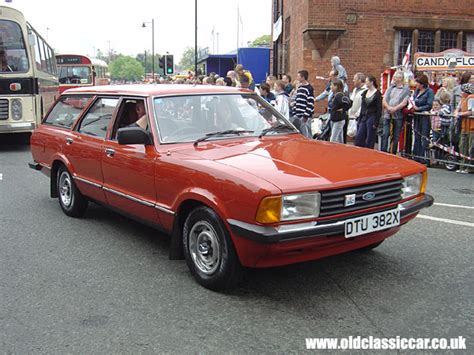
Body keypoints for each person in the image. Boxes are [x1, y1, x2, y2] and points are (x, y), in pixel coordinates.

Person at [381, 71, 410, 154]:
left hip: (398, 116)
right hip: (388, 114)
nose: (394, 78)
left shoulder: (405, 90)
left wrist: (395, 108)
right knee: (385, 134)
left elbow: (404, 102)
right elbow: (384, 99)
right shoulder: (390, 88)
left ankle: (392, 152)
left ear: (400, 78)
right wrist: (388, 107)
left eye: (395, 77)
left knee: (396, 136)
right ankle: (383, 151)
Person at [411, 74, 434, 164]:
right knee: (416, 136)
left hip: (424, 116)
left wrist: (419, 109)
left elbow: (429, 105)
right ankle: (416, 155)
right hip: (416, 116)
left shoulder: (429, 92)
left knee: (424, 136)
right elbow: (413, 100)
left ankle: (423, 157)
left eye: (418, 83)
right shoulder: (416, 91)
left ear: (422, 84)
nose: (416, 85)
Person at [355, 75, 382, 149]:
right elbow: (362, 107)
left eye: (367, 81)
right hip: (364, 116)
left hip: (372, 116)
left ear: (371, 82)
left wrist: (376, 122)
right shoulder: (365, 93)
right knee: (359, 136)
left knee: (370, 137)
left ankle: (369, 151)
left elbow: (379, 109)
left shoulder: (377, 94)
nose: (365, 83)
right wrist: (360, 118)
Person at [453, 83, 474, 173]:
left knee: (470, 148)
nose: (461, 92)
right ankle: (462, 166)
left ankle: (469, 167)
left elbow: (470, 112)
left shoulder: (471, 98)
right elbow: (458, 108)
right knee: (462, 146)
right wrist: (457, 112)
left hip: (471, 127)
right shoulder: (463, 99)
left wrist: (460, 114)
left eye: (463, 91)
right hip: (464, 126)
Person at [289, 70, 314, 138]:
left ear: (303, 77)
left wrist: (306, 115)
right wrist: (294, 111)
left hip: (305, 116)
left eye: (298, 76)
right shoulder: (300, 87)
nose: (297, 78)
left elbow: (310, 103)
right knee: (301, 134)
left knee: (307, 134)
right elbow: (297, 100)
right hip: (298, 114)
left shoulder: (309, 88)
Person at [329, 79, 351, 143]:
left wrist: (343, 109)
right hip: (335, 119)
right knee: (340, 139)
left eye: (331, 85)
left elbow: (349, 102)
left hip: (338, 120)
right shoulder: (335, 95)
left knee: (333, 139)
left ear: (336, 87)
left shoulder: (339, 95)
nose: (330, 87)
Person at [348, 72, 367, 138]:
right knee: (353, 135)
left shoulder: (366, 90)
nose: (353, 80)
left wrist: (358, 113)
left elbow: (363, 104)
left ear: (359, 80)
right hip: (352, 116)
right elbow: (351, 101)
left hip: (359, 116)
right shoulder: (355, 90)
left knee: (359, 137)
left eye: (354, 79)